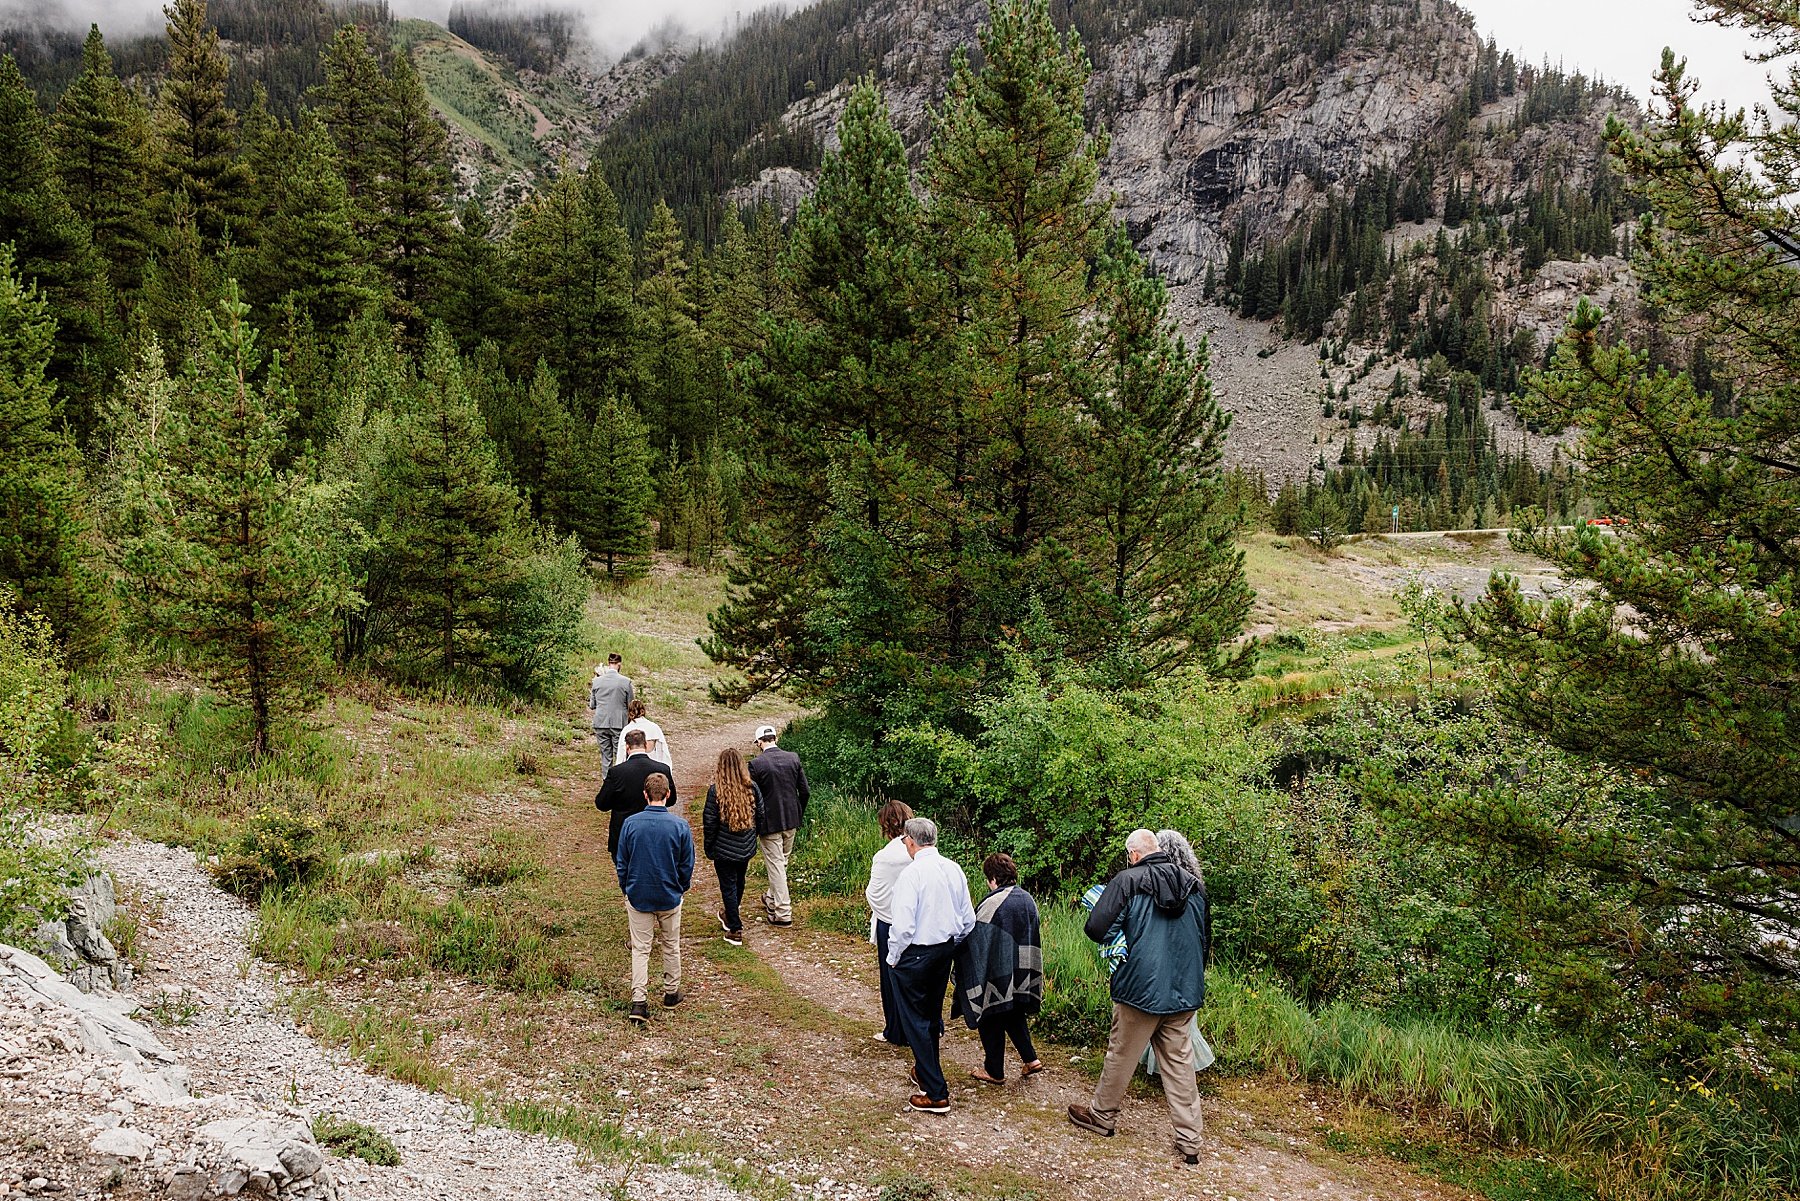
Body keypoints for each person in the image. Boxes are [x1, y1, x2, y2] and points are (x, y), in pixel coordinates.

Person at [1067, 829, 1208, 1165]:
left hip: (1139, 990)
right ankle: (1190, 1141)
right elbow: (1205, 942)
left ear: (1133, 854)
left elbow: (1096, 929)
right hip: (1183, 991)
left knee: (1121, 1054)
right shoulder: (1193, 885)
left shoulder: (1127, 880)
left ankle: (1102, 1116)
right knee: (1179, 1065)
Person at [886, 818, 975, 1114]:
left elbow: (903, 926)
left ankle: (936, 1092)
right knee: (930, 1014)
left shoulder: (912, 875)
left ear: (911, 842)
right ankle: (925, 1072)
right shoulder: (953, 868)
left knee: (916, 1019)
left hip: (916, 952)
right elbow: (968, 919)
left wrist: (893, 956)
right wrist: (952, 943)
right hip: (945, 949)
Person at [953, 852, 1045, 1085]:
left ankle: (994, 1071)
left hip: (998, 970)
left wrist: (957, 961)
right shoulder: (1027, 899)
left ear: (992, 878)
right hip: (1023, 967)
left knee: (990, 1011)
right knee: (1013, 1011)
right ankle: (1031, 1059)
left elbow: (974, 939)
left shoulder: (993, 903)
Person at [614, 774, 694, 1024]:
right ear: (668, 795)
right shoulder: (679, 826)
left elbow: (622, 861)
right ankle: (671, 992)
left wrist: (626, 887)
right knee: (671, 944)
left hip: (638, 893)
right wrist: (681, 887)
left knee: (641, 949)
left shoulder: (630, 824)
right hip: (669, 895)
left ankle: (639, 1001)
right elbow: (687, 863)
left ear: (645, 795)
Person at [864, 800, 915, 1045]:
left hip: (891, 923)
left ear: (886, 824)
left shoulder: (884, 857)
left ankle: (896, 1029)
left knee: (891, 976)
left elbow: (875, 894)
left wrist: (886, 914)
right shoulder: (920, 851)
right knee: (921, 978)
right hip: (921, 922)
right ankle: (930, 1026)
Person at [748, 724, 810, 928]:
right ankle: (771, 898)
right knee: (781, 863)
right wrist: (798, 811)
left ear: (759, 742)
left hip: (769, 822)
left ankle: (783, 911)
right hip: (792, 819)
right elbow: (805, 791)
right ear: (775, 738)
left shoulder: (756, 765)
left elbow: (753, 797)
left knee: (776, 865)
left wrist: (755, 821)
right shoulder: (793, 758)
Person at [703, 747, 764, 947]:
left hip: (723, 848)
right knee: (739, 882)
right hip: (745, 846)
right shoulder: (752, 787)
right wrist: (753, 837)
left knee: (728, 886)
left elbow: (710, 822)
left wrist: (709, 846)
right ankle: (730, 913)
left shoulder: (716, 791)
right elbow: (761, 815)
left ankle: (735, 928)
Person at [595, 729, 677, 855]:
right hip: (655, 831)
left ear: (627, 747)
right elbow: (671, 800)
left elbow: (602, 803)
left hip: (623, 834)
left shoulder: (616, 772)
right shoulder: (662, 769)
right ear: (645, 745)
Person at [588, 655, 635, 776]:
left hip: (600, 722)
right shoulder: (625, 681)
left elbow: (592, 705)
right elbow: (631, 705)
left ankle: (607, 781)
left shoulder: (597, 681)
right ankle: (620, 780)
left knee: (605, 755)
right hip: (618, 723)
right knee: (620, 754)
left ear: (608, 663)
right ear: (619, 664)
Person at [619, 699, 673, 773]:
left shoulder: (627, 729)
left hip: (632, 770)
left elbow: (621, 755)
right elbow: (663, 752)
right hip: (654, 770)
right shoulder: (654, 727)